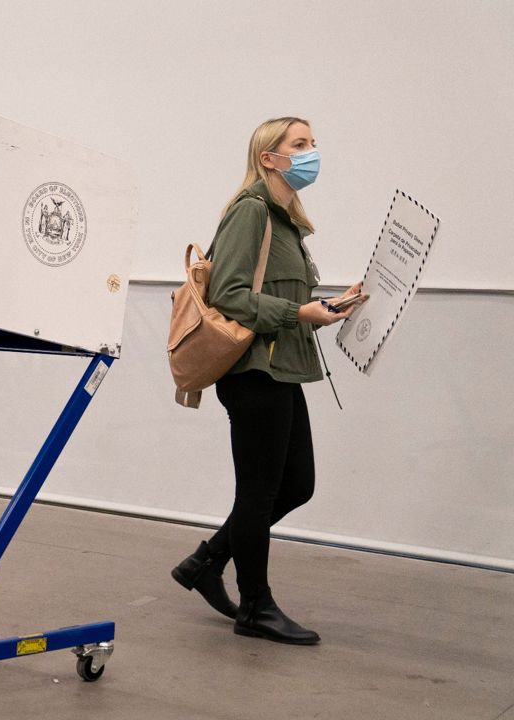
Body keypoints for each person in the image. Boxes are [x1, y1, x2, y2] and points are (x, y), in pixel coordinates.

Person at [170, 117, 362, 645]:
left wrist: (336, 302)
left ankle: (206, 562)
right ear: (269, 158)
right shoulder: (250, 212)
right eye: (299, 145)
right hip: (252, 372)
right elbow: (229, 295)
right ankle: (254, 606)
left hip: (280, 370)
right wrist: (301, 314)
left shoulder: (286, 219)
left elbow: (285, 293)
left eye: (312, 143)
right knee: (258, 494)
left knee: (298, 485)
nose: (311, 153)